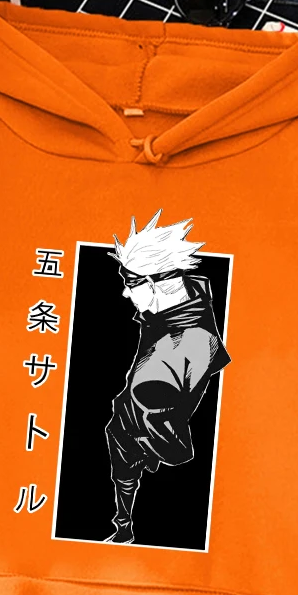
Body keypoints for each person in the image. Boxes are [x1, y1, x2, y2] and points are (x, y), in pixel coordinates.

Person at [105, 211, 231, 543]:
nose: (125, 294)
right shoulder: (191, 295)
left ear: (152, 283)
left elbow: (171, 446)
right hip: (173, 378)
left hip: (145, 422)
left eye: (129, 283)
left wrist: (134, 437)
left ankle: (123, 528)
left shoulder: (160, 366)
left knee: (121, 434)